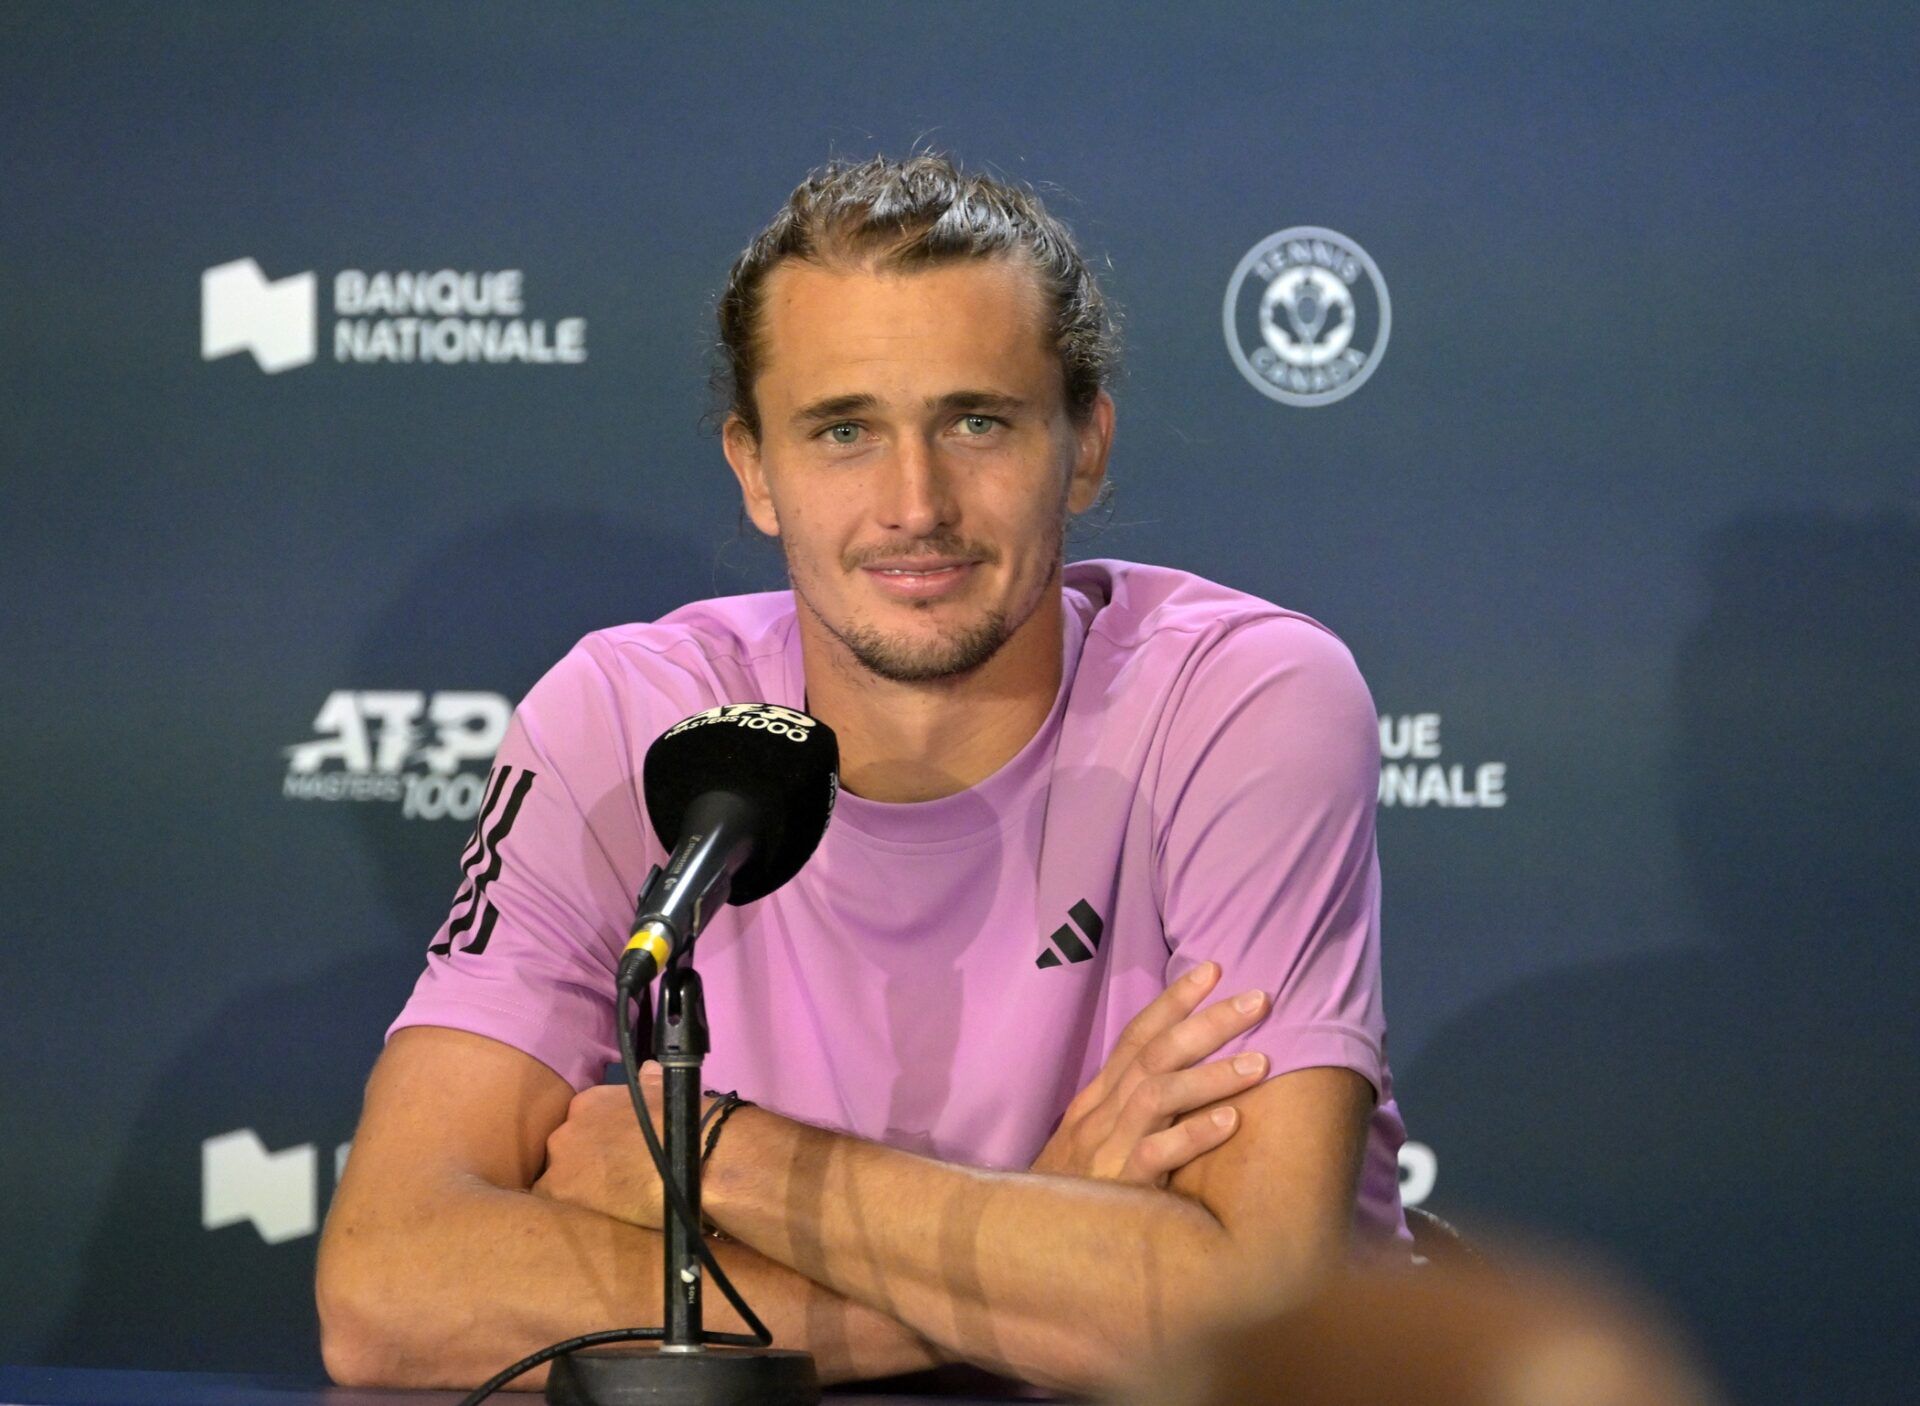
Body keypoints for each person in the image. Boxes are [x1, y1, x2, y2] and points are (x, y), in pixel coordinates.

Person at [315, 154, 1408, 1396]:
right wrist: (1040, 1240)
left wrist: (716, 1158)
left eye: (977, 421)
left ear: (1087, 445)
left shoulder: (1243, 701)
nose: (914, 503)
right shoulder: (623, 719)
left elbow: (1249, 1316)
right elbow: (385, 1286)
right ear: (755, 469)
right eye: (844, 431)